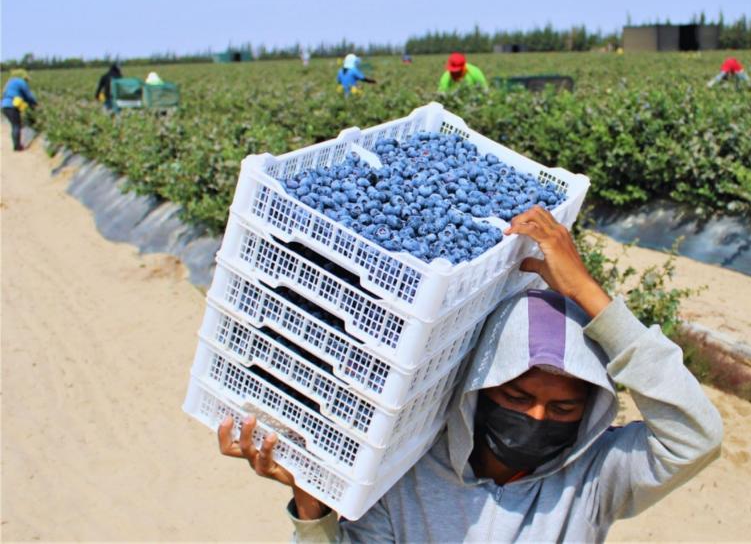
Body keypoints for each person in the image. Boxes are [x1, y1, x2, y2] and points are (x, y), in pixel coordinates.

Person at [217, 206, 723, 542]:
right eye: (518, 397)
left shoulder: (594, 477)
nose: (537, 418)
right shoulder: (406, 474)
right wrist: (313, 504)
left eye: (564, 408)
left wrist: (591, 297)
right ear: (479, 390)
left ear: (589, 410)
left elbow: (695, 438)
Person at [2, 69, 38, 151]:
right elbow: (28, 95)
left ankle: (16, 144)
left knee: (14, 125)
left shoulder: (10, 82)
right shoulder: (20, 82)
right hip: (12, 106)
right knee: (16, 126)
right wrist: (35, 104)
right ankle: (17, 146)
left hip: (4, 106)